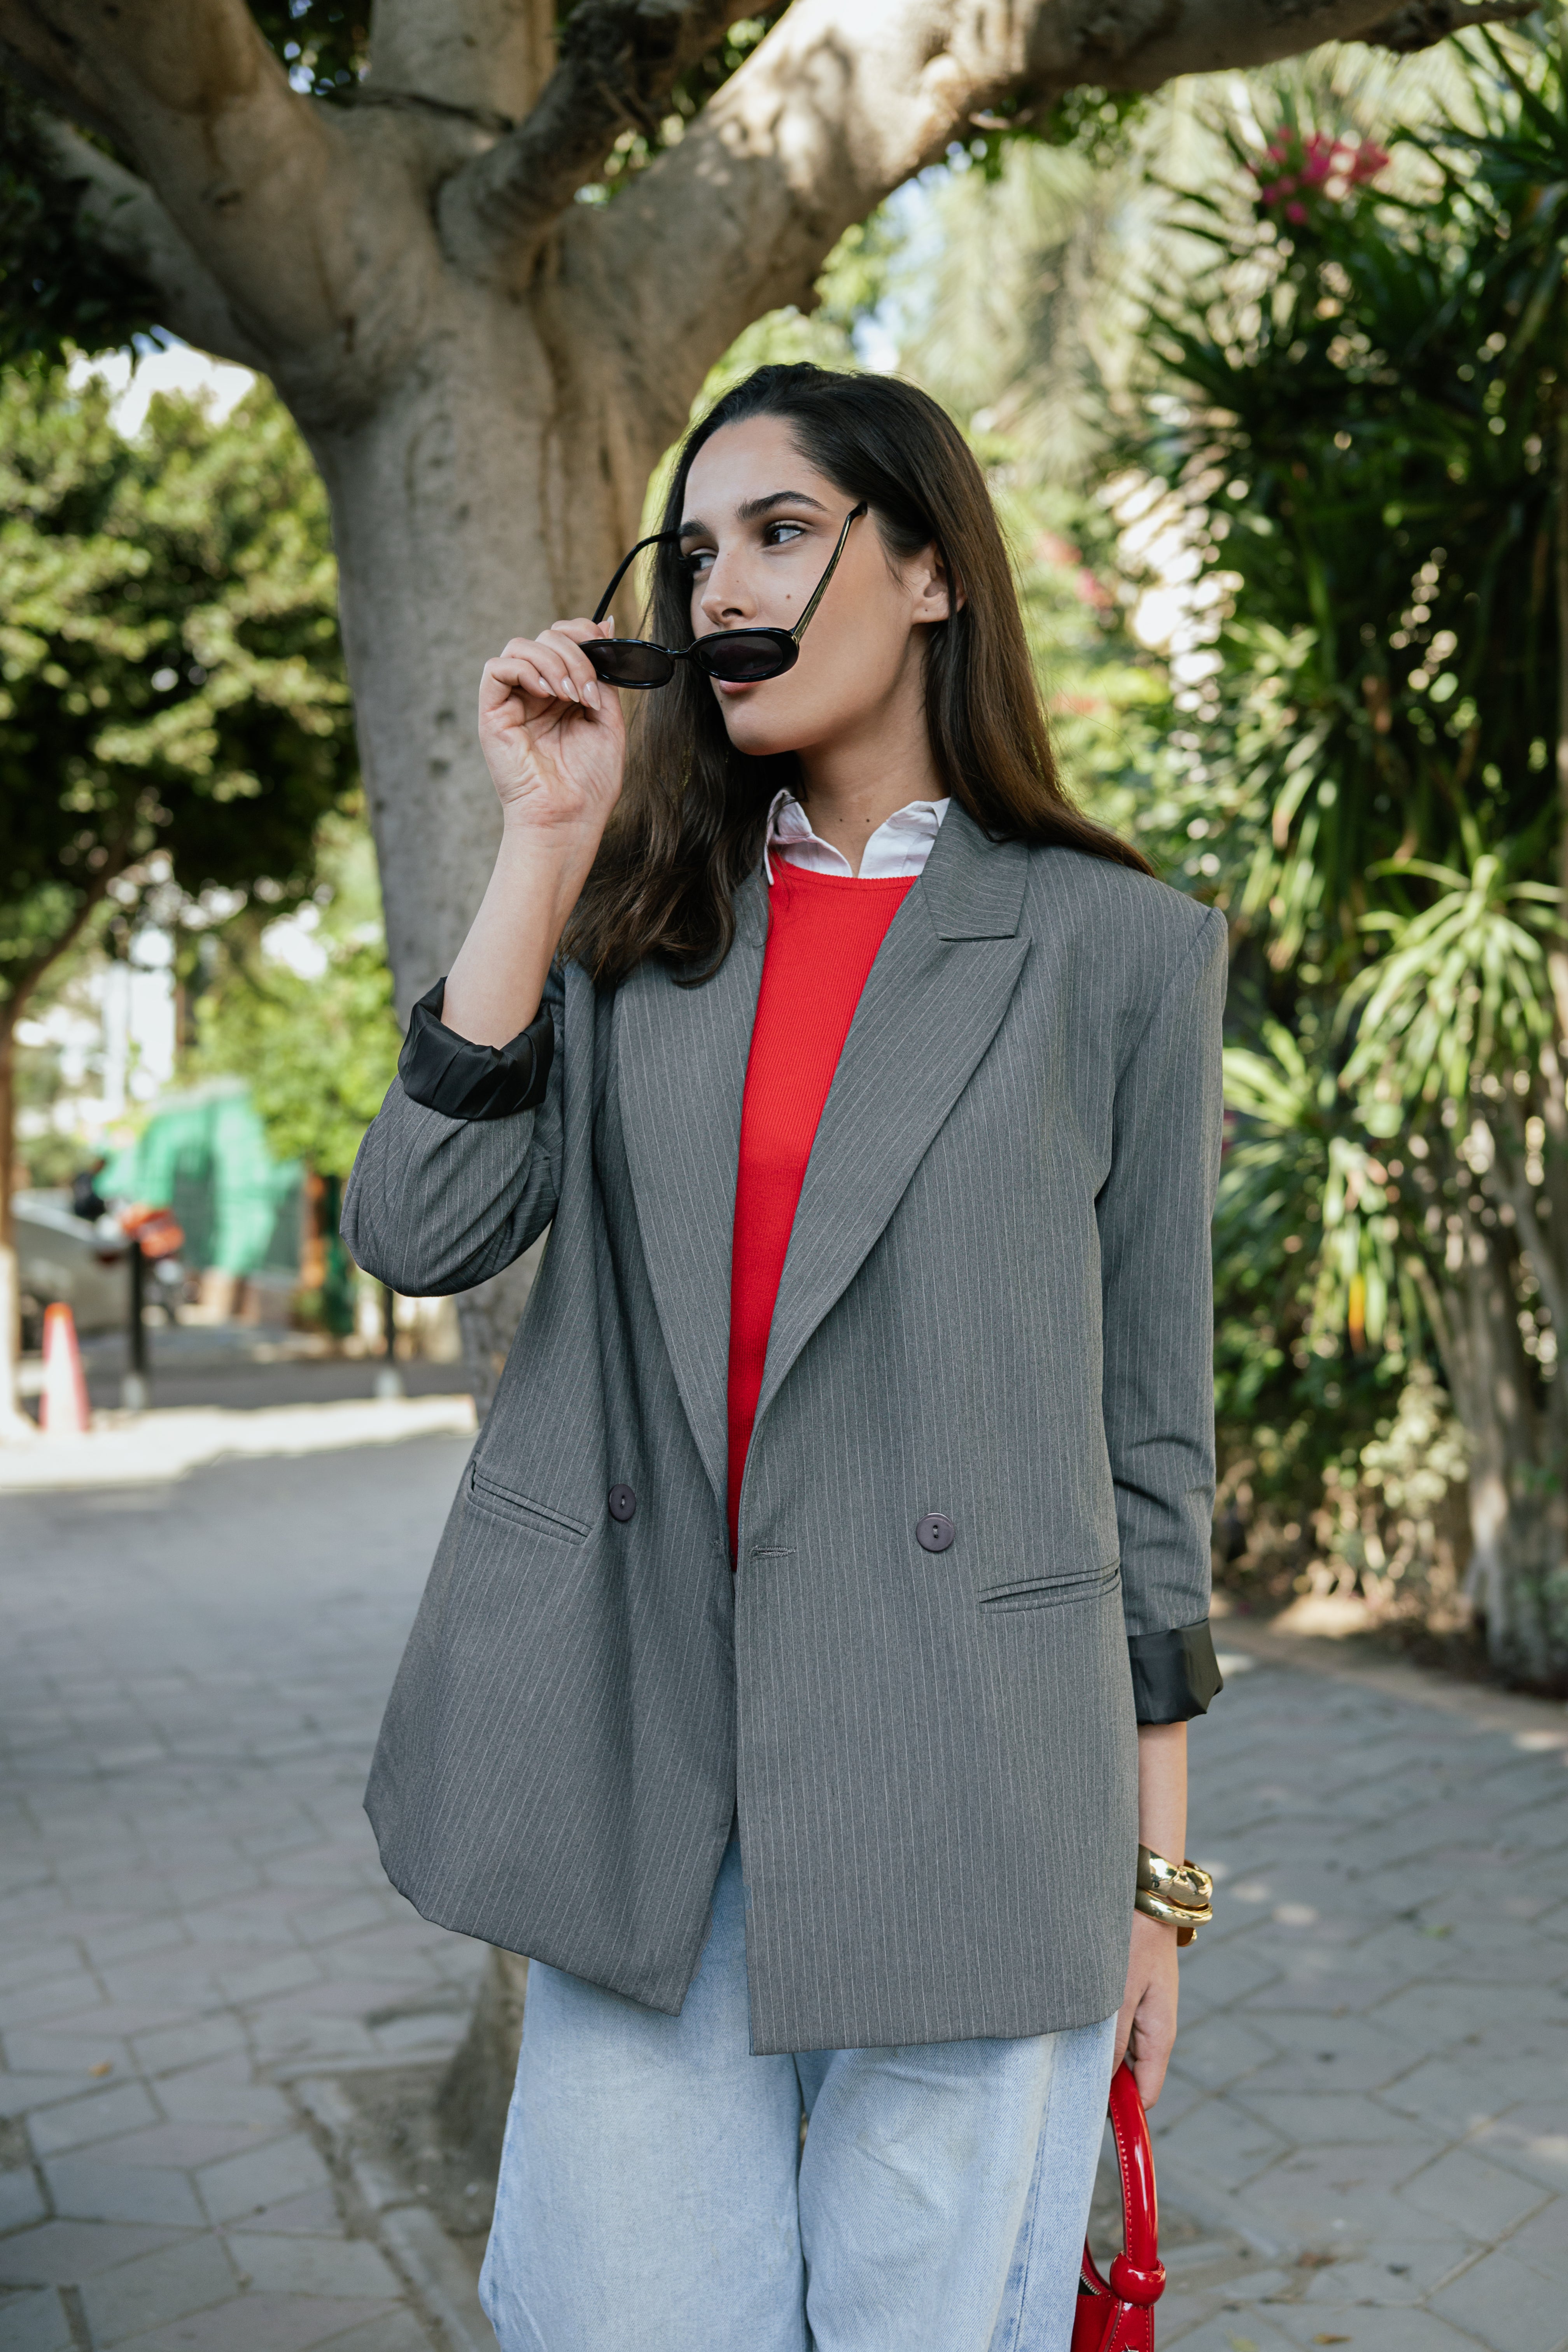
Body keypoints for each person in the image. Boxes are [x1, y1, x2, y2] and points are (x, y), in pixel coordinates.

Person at [343, 363, 1225, 2352]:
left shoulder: (1121, 951)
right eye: (700, 547)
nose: (725, 583)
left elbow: (1153, 1445)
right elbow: (417, 1228)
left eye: (783, 532)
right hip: (661, 1765)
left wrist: (1161, 1888)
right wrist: (541, 847)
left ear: (927, 572)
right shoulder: (636, 925)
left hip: (981, 1789)